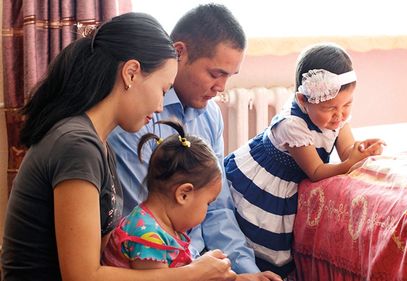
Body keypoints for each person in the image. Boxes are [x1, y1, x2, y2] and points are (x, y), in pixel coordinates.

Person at [1, 12, 235, 281]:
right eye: (162, 89)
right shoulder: (77, 145)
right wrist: (192, 274)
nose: (160, 106)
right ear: (131, 73)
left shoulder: (97, 144)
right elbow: (82, 276)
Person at [108, 4, 281, 281]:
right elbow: (143, 219)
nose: (222, 87)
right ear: (179, 52)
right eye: (215, 74)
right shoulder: (136, 118)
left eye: (229, 76)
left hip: (201, 266)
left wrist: (245, 273)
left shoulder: (210, 116)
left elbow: (218, 208)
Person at [224, 43, 386, 277]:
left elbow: (348, 150)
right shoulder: (293, 125)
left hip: (293, 176)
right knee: (263, 243)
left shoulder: (336, 116)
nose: (339, 115)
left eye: (347, 104)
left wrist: (361, 150)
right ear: (302, 100)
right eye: (330, 108)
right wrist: (349, 164)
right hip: (267, 181)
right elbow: (316, 171)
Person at [102, 120, 224, 270]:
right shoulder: (148, 236)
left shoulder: (164, 226)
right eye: (208, 203)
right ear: (183, 194)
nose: (207, 210)